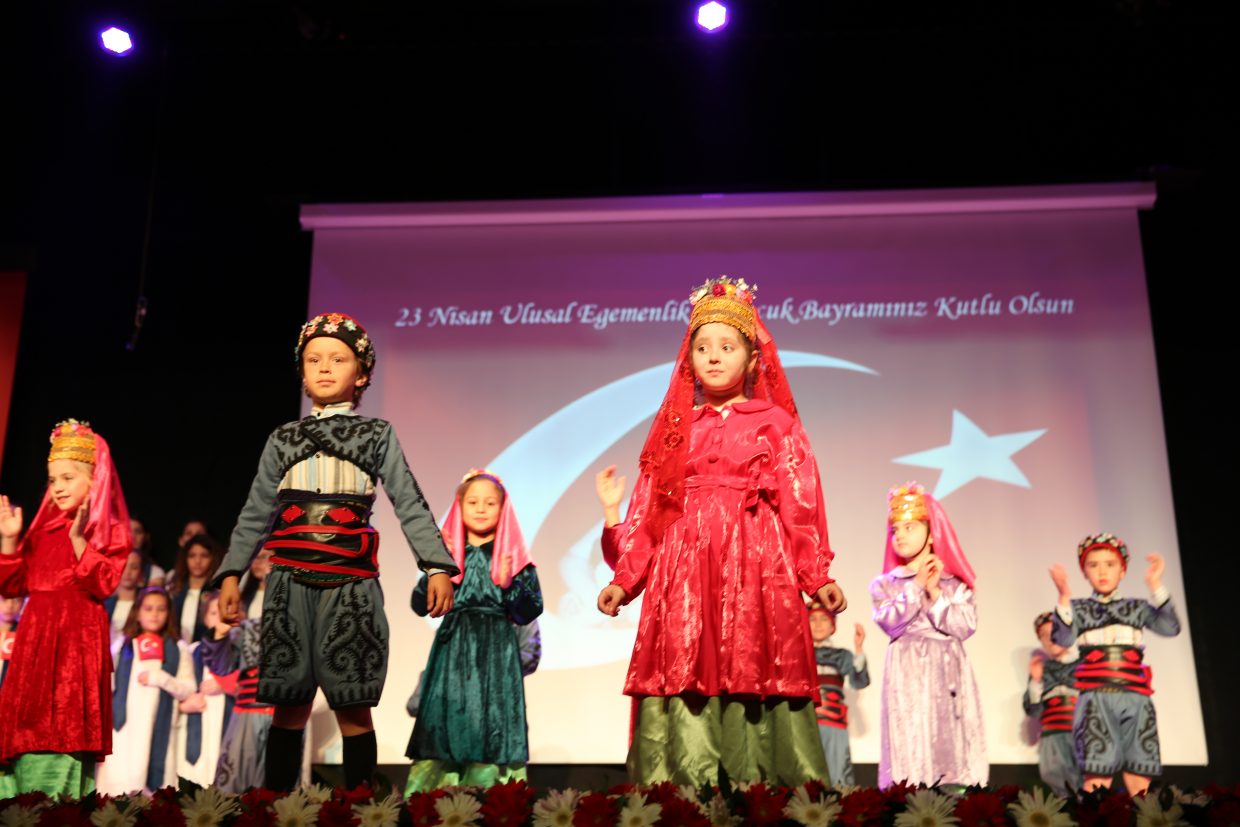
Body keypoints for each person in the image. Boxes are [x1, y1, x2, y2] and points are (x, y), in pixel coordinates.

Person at [595, 276, 845, 787]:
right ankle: (682, 790)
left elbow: (801, 504)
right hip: (684, 573)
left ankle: (762, 789)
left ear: (753, 361)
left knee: (755, 658)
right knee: (686, 658)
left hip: (756, 565)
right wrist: (625, 578)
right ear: (689, 359)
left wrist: (815, 575)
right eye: (703, 347)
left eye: (727, 347)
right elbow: (649, 511)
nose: (713, 356)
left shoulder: (776, 424)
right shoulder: (675, 428)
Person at [213, 312, 459, 791]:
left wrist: (436, 567)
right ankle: (278, 808)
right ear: (302, 372)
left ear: (361, 373)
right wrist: (230, 575)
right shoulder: (283, 439)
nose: (324, 367)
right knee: (288, 703)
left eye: (338, 359)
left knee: (353, 703)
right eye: (314, 360)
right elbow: (256, 511)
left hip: (351, 584)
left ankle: (363, 808)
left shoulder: (376, 434)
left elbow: (408, 501)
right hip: (288, 582)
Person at [0, 419, 132, 796]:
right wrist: (9, 540)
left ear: (94, 480)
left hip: (74, 642)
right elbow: (11, 585)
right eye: (52, 479)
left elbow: (104, 582)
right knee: (24, 726)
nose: (57, 487)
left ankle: (59, 804)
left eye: (68, 478)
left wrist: (78, 539)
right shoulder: (42, 529)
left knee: (64, 726)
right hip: (34, 642)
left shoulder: (107, 530)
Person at [405, 469, 543, 791]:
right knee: (445, 716)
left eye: (490, 503)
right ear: (460, 506)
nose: (481, 508)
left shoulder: (513, 557)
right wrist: (436, 568)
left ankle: (492, 796)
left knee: (492, 720)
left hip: (497, 653)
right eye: (473, 502)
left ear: (502, 508)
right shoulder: (447, 557)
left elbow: (530, 610)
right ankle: (433, 797)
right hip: (454, 650)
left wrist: (509, 584)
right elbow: (419, 604)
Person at [870, 482, 986, 789]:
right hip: (906, 670)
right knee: (909, 735)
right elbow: (889, 622)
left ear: (931, 532)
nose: (901, 535)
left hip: (948, 669)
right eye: (895, 530)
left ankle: (956, 792)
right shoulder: (886, 584)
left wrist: (935, 594)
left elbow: (964, 626)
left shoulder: (954, 585)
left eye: (910, 527)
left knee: (950, 739)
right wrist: (917, 586)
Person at [1049, 533, 1180, 795]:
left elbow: (1170, 627)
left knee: (1139, 775)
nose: (1102, 571)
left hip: (1136, 697)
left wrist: (1155, 584)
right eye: (1093, 565)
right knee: (1097, 777)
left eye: (1110, 564)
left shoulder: (1137, 607)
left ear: (1123, 570)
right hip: (1095, 699)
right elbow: (1061, 639)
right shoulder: (1078, 608)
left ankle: (1143, 815)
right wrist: (1063, 595)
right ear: (1084, 572)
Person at [95, 587, 196, 794]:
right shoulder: (122, 646)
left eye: (161, 609)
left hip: (159, 730)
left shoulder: (178, 648)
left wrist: (161, 678)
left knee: (153, 796)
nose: (154, 614)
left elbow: (188, 689)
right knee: (118, 792)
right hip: (123, 732)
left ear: (169, 613)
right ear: (137, 612)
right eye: (148, 609)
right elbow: (106, 685)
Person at [807, 599, 869, 786]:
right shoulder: (798, 655)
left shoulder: (841, 656)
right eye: (812, 619)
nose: (818, 624)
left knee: (837, 773)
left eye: (824, 619)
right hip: (805, 722)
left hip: (833, 722)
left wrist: (858, 648)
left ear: (832, 625)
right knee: (806, 773)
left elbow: (859, 682)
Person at [176, 591, 232, 787]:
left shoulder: (243, 652)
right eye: (214, 613)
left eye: (226, 612)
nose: (220, 618)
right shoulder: (191, 651)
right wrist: (182, 706)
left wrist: (225, 684)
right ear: (205, 618)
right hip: (194, 729)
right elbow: (176, 689)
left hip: (227, 725)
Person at [1023, 612, 1081, 796]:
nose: (1050, 639)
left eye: (1054, 632)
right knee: (1056, 785)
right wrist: (1036, 681)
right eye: (1044, 635)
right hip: (1052, 738)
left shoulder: (1084, 665)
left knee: (1087, 787)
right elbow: (1033, 711)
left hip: (1082, 735)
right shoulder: (1042, 670)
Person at [169, 533, 224, 643]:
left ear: (213, 558)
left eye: (204, 556)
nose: (198, 561)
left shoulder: (218, 592)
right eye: (192, 555)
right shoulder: (175, 590)